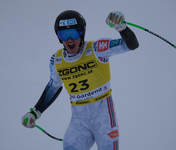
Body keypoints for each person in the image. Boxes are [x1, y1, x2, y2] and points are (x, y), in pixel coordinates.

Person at [21, 10, 139, 150]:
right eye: (64, 35)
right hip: (79, 124)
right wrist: (36, 111)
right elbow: (53, 87)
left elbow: (131, 45)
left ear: (82, 33)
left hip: (104, 120)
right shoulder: (57, 60)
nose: (69, 40)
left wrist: (122, 28)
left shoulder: (97, 49)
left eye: (74, 34)